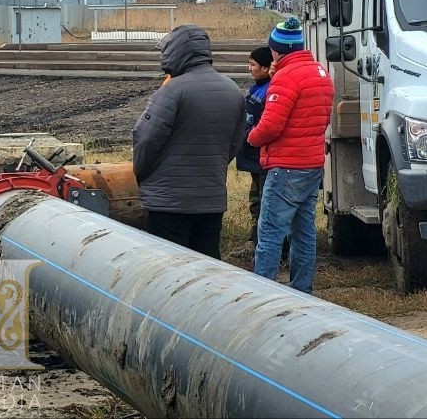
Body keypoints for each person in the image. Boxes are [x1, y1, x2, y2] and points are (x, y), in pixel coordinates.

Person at [132, 24, 246, 259]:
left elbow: (146, 139)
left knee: (168, 270)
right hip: (211, 199)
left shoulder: (171, 91)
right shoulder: (233, 90)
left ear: (178, 51)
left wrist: (141, 174)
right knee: (206, 269)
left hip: (169, 202)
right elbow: (233, 144)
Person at [248, 17, 334, 293]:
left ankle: (264, 293)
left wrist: (251, 137)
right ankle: (302, 291)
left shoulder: (286, 77)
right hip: (312, 164)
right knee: (303, 231)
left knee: (270, 232)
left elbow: (271, 125)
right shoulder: (320, 73)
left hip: (286, 166)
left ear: (277, 50)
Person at [237, 46, 273, 243]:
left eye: (253, 64)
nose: (249, 68)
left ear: (266, 68)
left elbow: (264, 124)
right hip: (252, 156)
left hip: (261, 156)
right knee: (256, 201)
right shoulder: (256, 88)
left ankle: (263, 243)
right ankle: (255, 240)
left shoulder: (269, 90)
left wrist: (247, 137)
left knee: (264, 202)